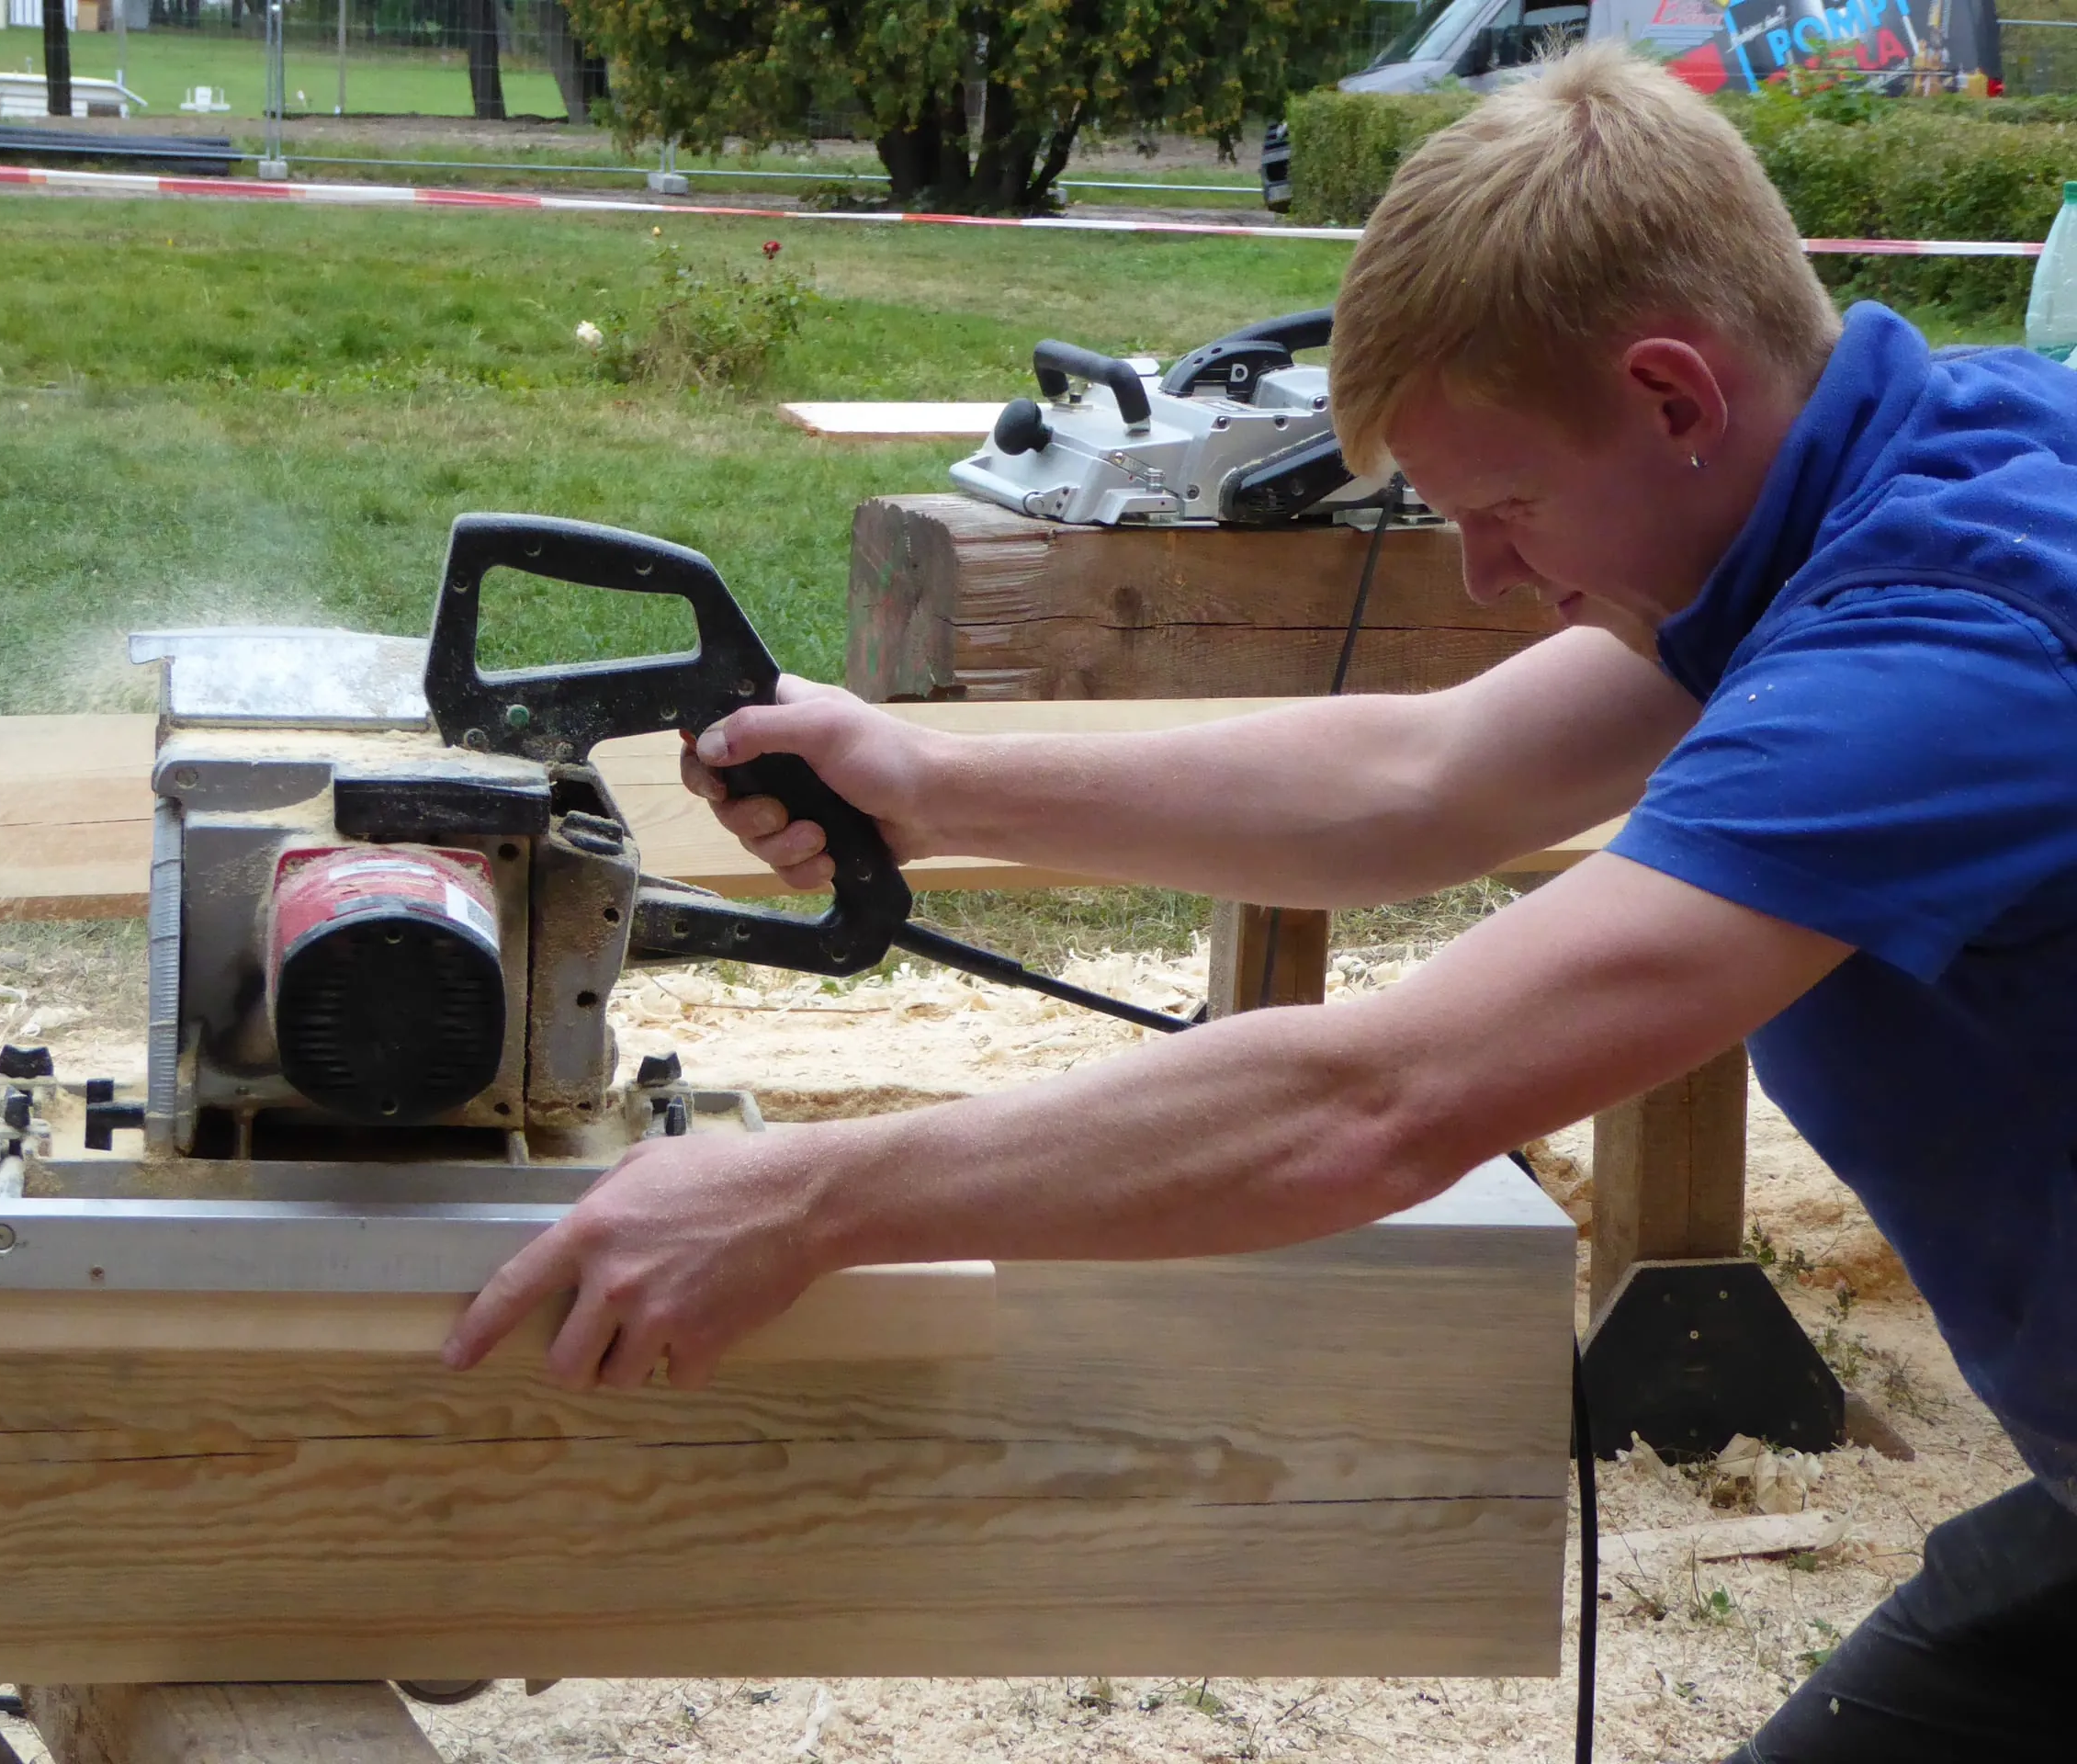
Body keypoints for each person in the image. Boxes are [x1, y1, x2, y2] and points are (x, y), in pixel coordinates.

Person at [444, 44, 2077, 1763]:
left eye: (1506, 504)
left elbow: (1383, 1099)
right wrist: (930, 781)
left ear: (1675, 396)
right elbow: (1419, 782)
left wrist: (802, 1200)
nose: (1491, 576)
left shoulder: (1953, 639)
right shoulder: (1873, 481)